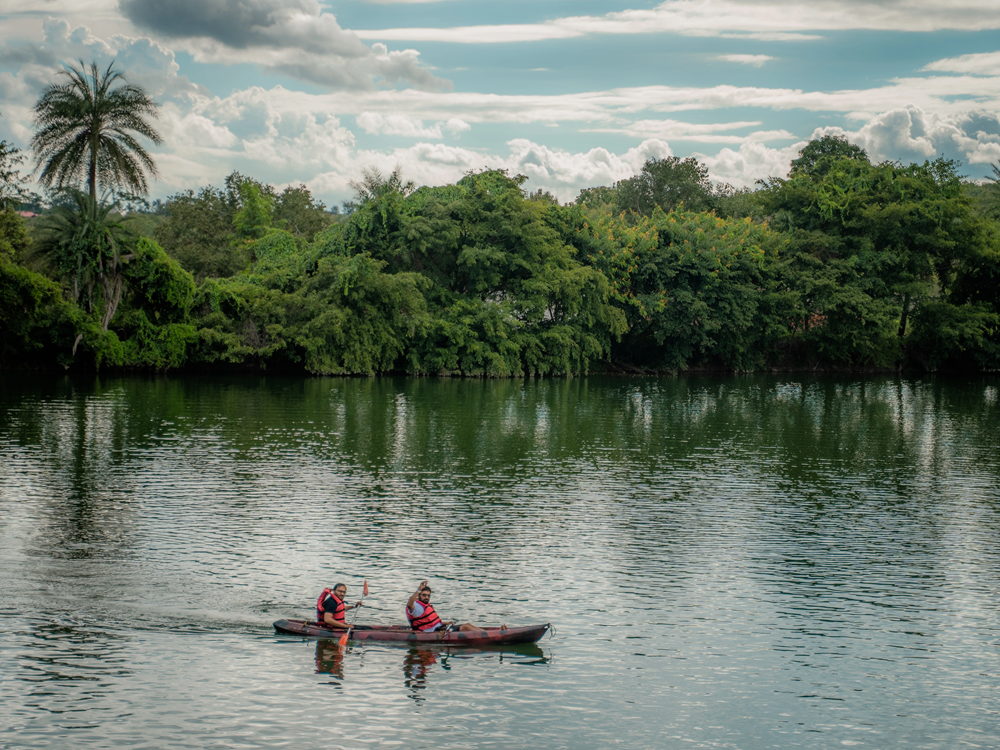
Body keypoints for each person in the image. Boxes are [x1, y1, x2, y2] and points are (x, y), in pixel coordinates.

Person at [405, 581, 505, 632]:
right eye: (424, 595)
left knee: (467, 625)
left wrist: (445, 622)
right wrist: (418, 589)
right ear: (419, 596)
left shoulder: (426, 606)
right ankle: (493, 634)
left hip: (440, 628)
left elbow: (431, 621)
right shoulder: (416, 607)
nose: (427, 597)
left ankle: (492, 632)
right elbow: (409, 604)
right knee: (465, 627)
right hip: (435, 633)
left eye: (428, 595)